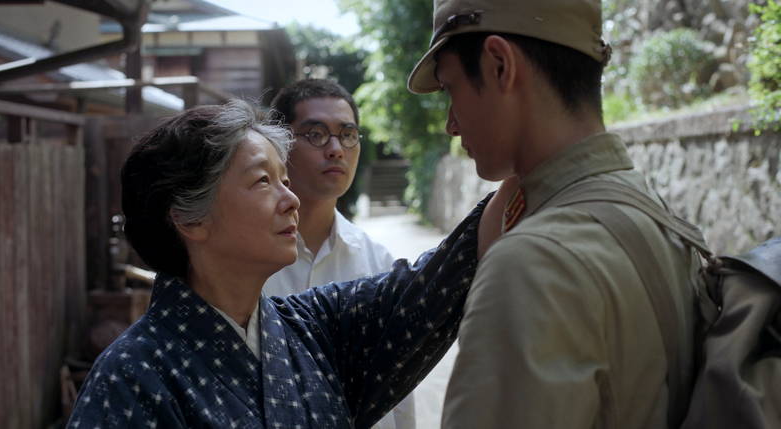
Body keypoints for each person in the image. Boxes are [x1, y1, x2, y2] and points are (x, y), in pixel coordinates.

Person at [66, 99, 507, 428]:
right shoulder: (131, 378)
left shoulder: (316, 327)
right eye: (263, 181)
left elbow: (436, 281)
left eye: (285, 179)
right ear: (189, 218)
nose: (292, 199)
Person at [407, 1, 700, 428]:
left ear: (499, 65)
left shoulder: (531, 266)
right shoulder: (658, 217)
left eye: (451, 89)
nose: (451, 124)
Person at [266, 79, 415, 429]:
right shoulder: (247, 260)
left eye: (347, 134)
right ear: (280, 145)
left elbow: (400, 386)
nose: (336, 149)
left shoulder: (379, 265)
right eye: (316, 134)